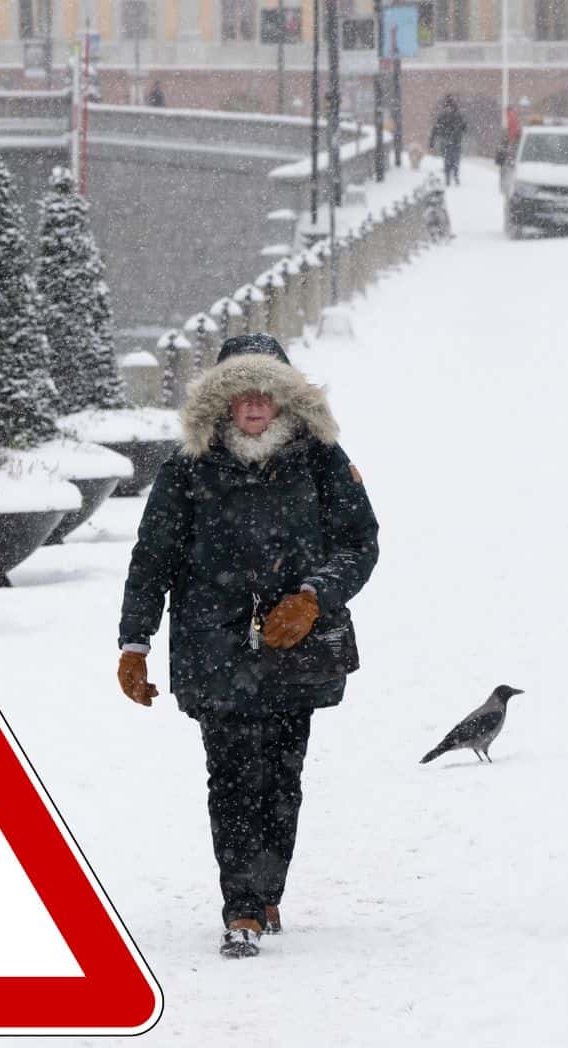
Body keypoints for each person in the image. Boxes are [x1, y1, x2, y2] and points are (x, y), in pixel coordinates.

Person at [116, 333, 380, 959]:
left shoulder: (321, 460)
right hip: (215, 649)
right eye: (242, 395)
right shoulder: (187, 467)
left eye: (267, 394)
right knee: (232, 777)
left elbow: (360, 542)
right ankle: (241, 907)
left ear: (286, 401)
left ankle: (266, 892)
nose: (255, 406)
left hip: (299, 648)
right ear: (222, 403)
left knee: (283, 777)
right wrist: (135, 641)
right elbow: (152, 556)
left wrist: (314, 597)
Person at [431, 95, 468, 186]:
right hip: (449, 142)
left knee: (452, 160)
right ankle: (450, 176)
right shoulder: (450, 116)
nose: (449, 109)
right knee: (451, 160)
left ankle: (453, 176)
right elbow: (436, 128)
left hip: (453, 141)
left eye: (450, 107)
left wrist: (432, 139)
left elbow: (464, 128)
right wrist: (432, 140)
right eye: (448, 107)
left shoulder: (454, 116)